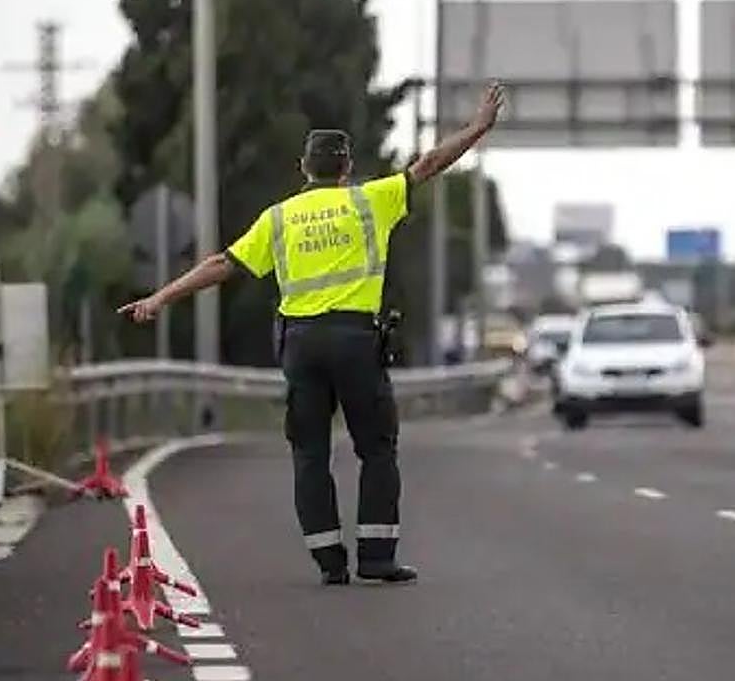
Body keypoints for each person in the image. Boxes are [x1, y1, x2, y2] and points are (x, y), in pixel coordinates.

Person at [118, 81, 507, 585]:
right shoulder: (373, 200)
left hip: (301, 345)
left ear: (304, 168)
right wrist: (477, 128)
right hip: (355, 342)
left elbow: (222, 263)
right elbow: (429, 164)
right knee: (376, 449)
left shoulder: (278, 219)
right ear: (346, 168)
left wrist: (160, 298)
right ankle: (376, 557)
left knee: (309, 454)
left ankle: (329, 562)